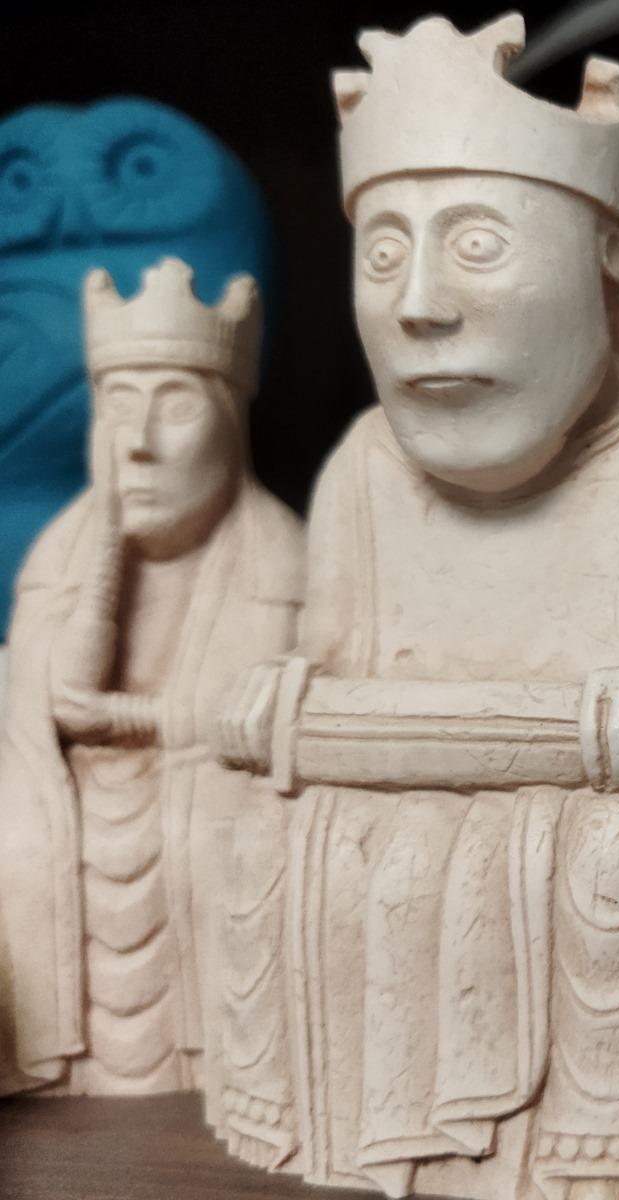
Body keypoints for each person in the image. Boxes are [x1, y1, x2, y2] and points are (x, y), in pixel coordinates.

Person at [216, 15, 619, 1199]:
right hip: (396, 803)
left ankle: (595, 1139)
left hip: (578, 824)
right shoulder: (364, 470)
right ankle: (318, 1112)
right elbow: (330, 665)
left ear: (605, 261)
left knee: (615, 848)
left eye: (475, 242)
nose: (418, 305)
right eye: (382, 254)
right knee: (256, 831)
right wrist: (290, 693)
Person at [0, 257, 302, 1099]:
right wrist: (105, 544)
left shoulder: (280, 556)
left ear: (231, 426)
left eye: (175, 406)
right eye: (117, 406)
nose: (137, 442)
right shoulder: (62, 550)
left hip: (204, 804)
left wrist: (142, 722)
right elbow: (49, 709)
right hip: (74, 803)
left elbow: (256, 722)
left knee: (236, 847)